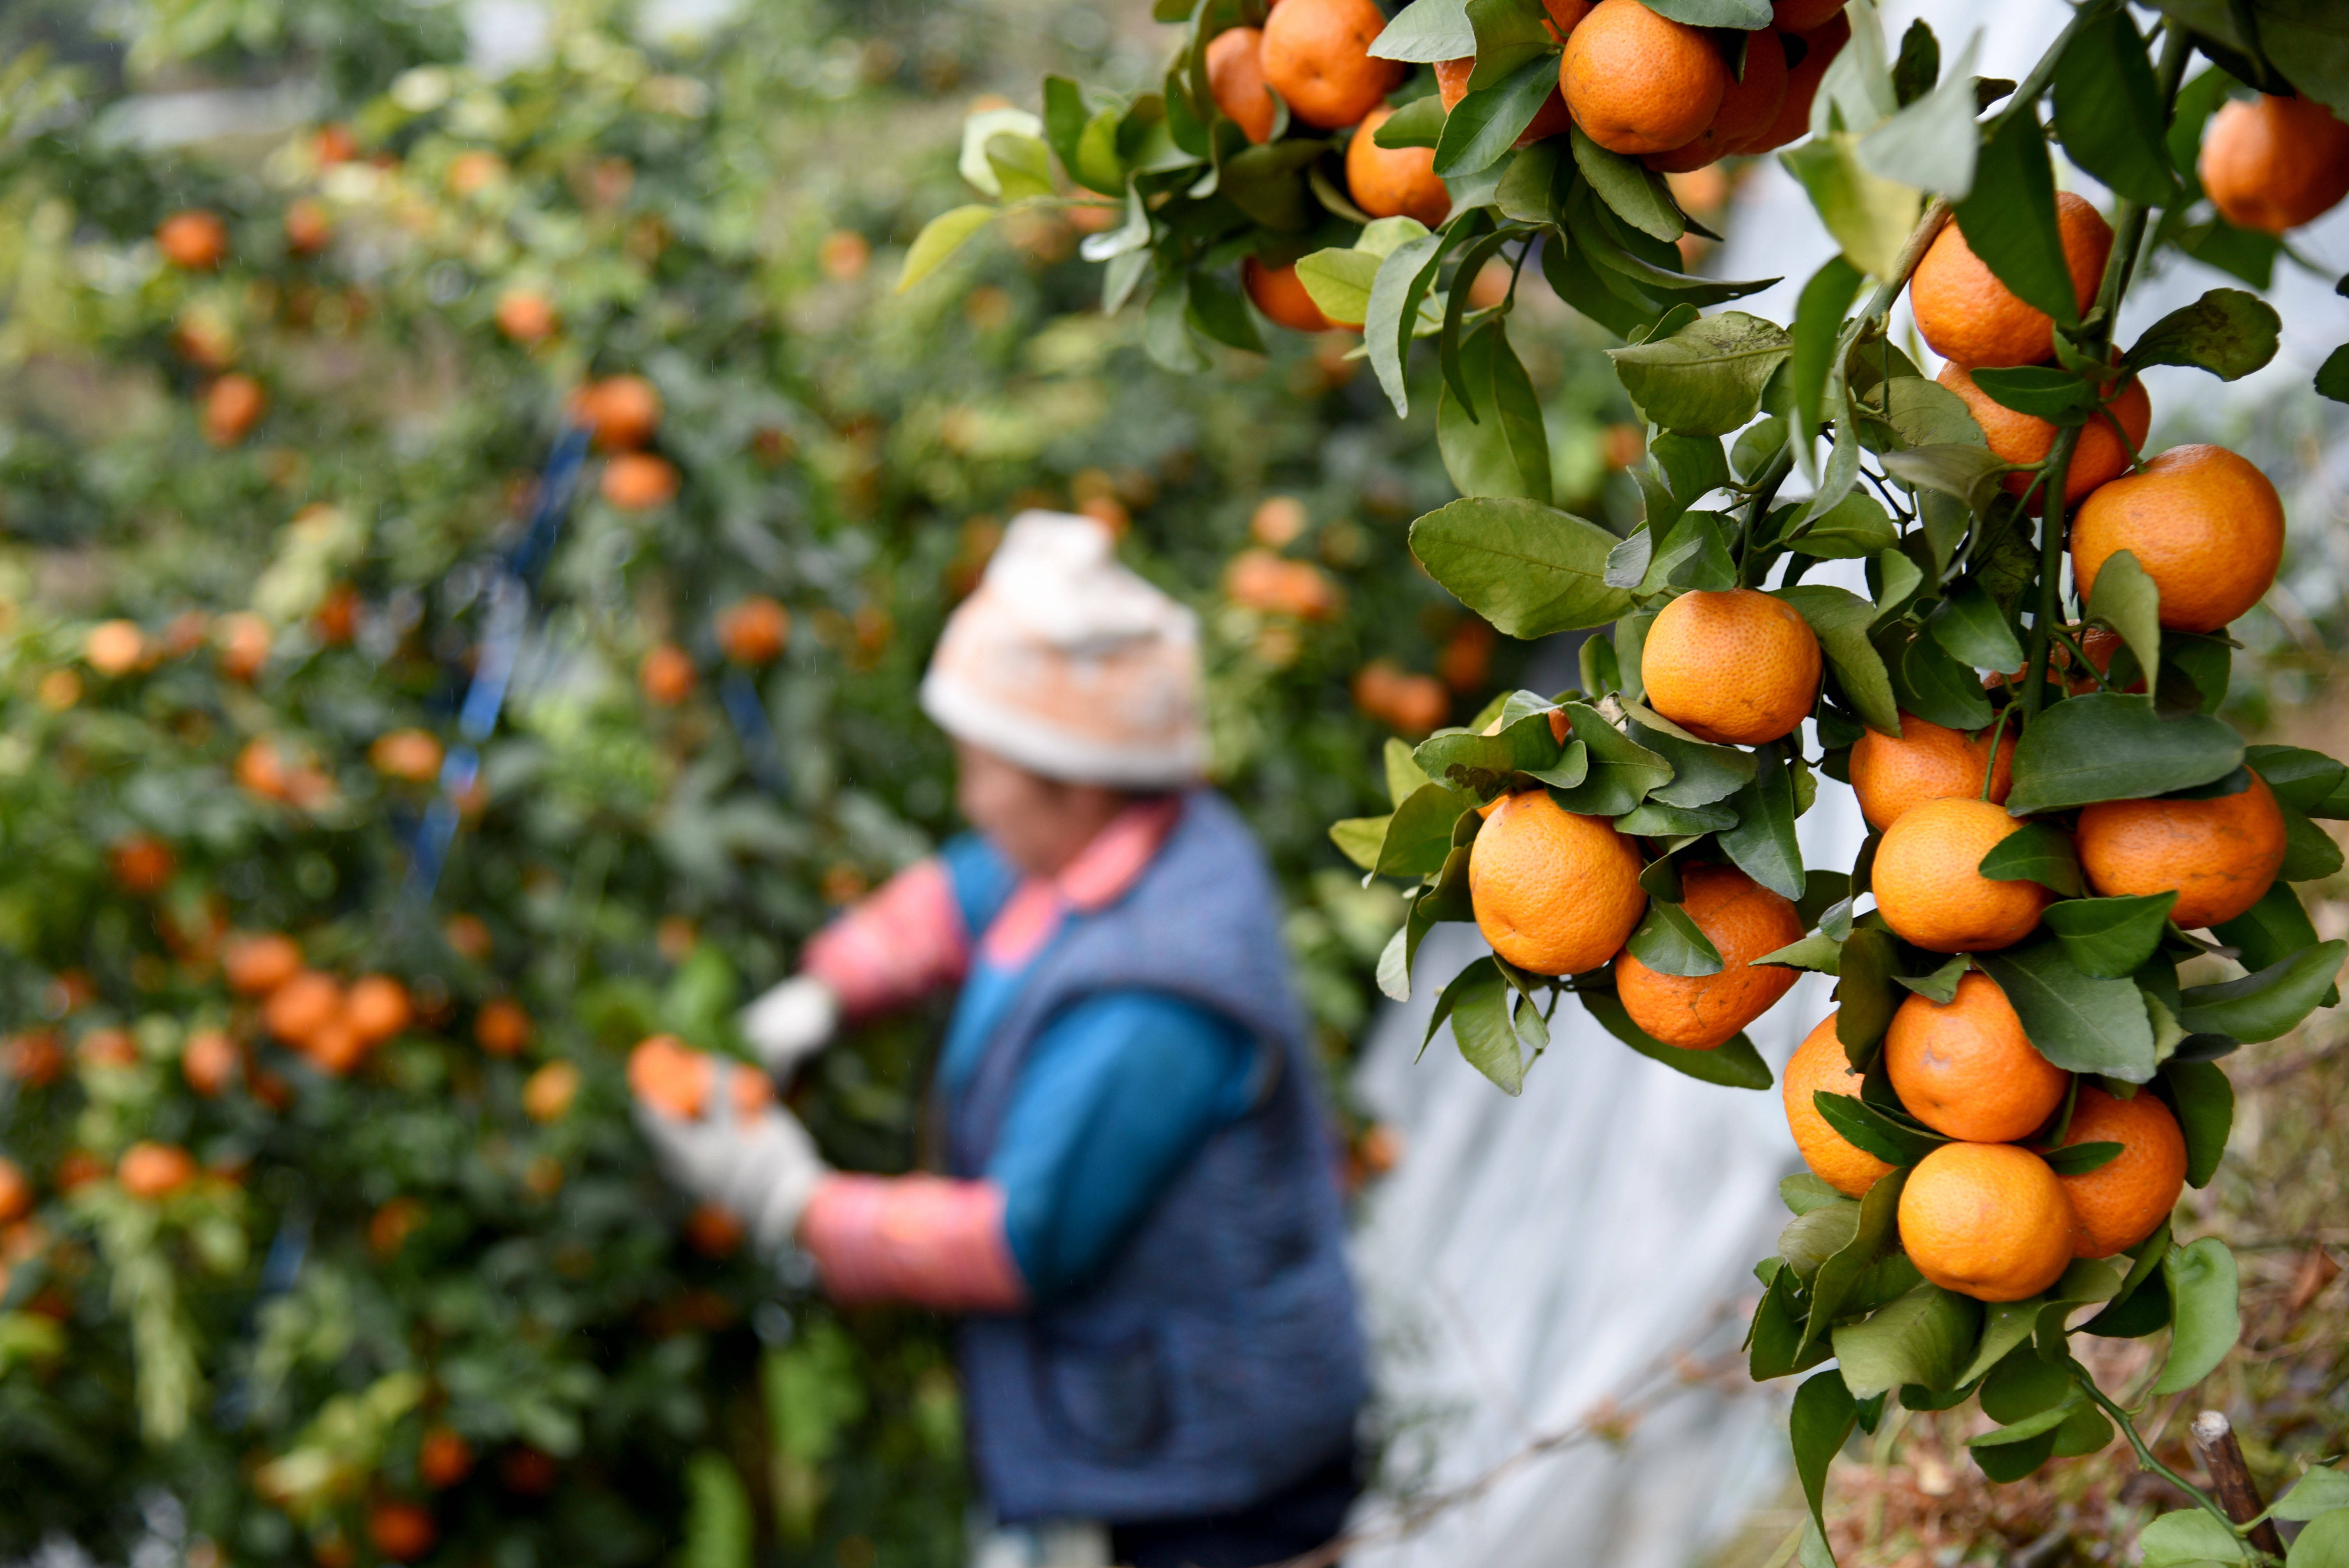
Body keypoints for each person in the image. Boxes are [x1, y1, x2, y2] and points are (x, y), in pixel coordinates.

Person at [636, 511, 1367, 1568]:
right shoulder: (1131, 832)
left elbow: (1022, 1241)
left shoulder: (1155, 996)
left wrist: (791, 1203)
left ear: (1069, 782)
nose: (969, 798)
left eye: (984, 769)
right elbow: (966, 891)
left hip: (1206, 1482)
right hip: (1148, 1431)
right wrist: (830, 989)